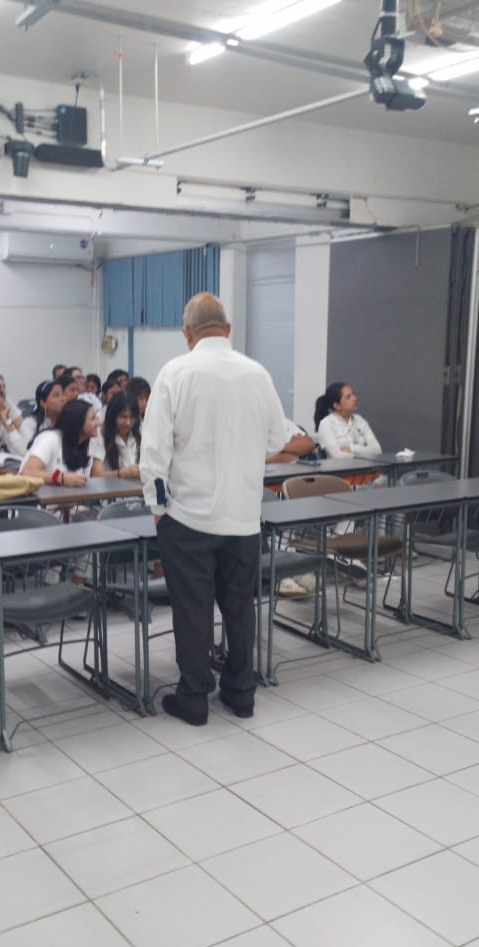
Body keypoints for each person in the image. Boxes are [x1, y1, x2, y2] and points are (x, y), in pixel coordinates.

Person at [141, 292, 288, 726]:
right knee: (240, 607)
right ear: (228, 329)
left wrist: (158, 506)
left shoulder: (174, 372)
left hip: (188, 516)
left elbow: (154, 450)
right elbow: (277, 440)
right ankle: (241, 693)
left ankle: (194, 698)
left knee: (193, 609)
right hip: (243, 516)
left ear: (187, 333)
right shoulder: (257, 373)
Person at [19, 398, 97, 488]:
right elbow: (26, 473)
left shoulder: (87, 445)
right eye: (93, 419)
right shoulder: (50, 438)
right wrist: (60, 478)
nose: (97, 423)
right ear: (78, 421)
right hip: (34, 495)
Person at [314, 382, 381, 459]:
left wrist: (351, 448)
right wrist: (365, 453)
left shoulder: (360, 420)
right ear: (337, 405)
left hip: (364, 465)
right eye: (348, 397)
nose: (354, 398)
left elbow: (377, 450)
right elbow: (337, 456)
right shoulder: (326, 424)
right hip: (339, 466)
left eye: (353, 394)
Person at [91, 393, 141, 478]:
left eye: (132, 417)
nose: (128, 423)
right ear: (113, 416)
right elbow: (96, 474)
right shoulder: (101, 435)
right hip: (110, 486)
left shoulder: (139, 432)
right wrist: (123, 473)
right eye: (123, 417)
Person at [19, 379, 66, 446]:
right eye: (56, 395)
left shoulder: (68, 421)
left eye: (63, 394)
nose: (63, 399)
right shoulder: (30, 423)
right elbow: (27, 448)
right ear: (43, 403)